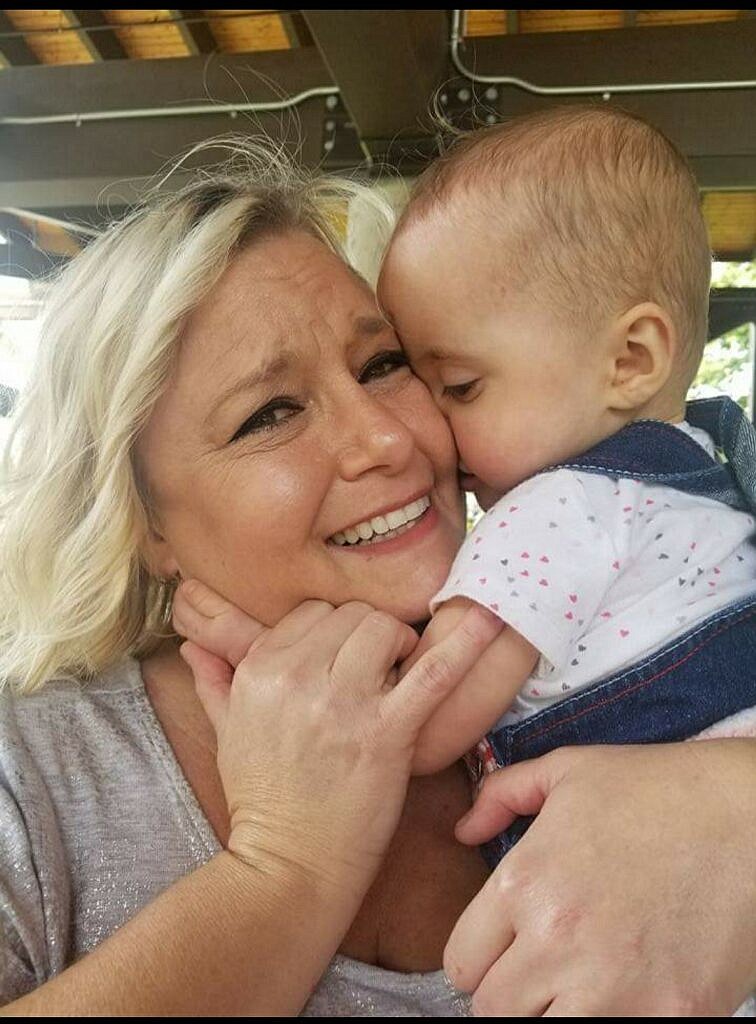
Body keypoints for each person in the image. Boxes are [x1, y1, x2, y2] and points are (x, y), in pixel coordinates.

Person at [0, 141, 754, 1017]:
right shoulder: (36, 774)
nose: (389, 439)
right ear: (145, 525)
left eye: (385, 365)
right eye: (269, 413)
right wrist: (283, 867)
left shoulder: (610, 589)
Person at [374, 107, 756, 868]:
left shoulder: (558, 509)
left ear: (631, 360)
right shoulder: (711, 475)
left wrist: (252, 654)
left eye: (459, 386)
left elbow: (417, 728)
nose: (434, 429)